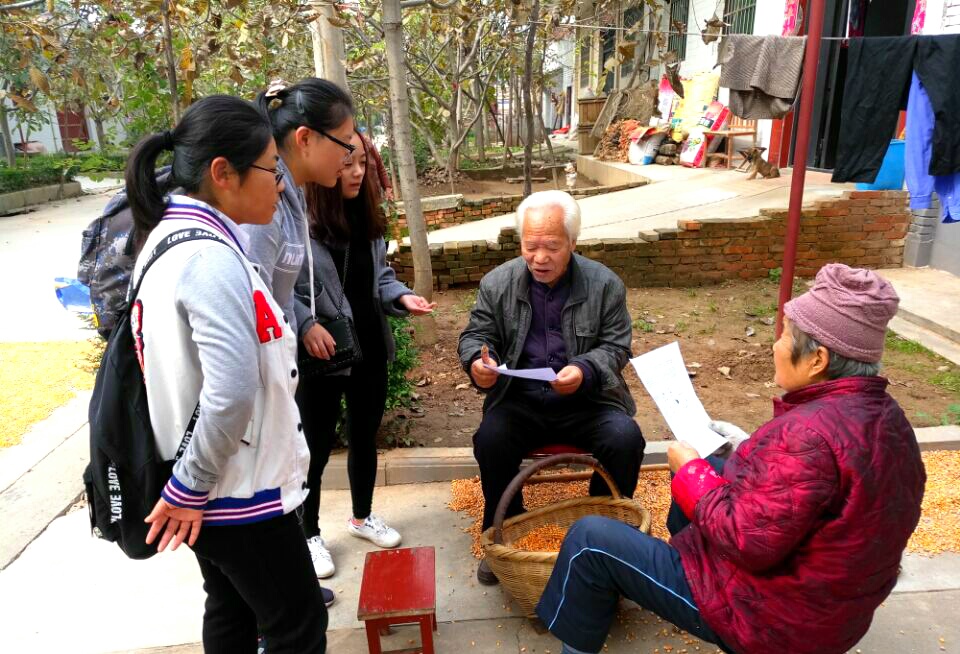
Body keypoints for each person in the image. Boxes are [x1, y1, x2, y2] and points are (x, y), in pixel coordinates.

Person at [536, 264, 927, 654]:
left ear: (817, 360)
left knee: (590, 539)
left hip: (773, 621)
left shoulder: (806, 435)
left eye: (785, 335)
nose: (775, 346)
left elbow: (748, 542)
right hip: (834, 608)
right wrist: (743, 451)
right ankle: (677, 570)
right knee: (716, 468)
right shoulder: (888, 418)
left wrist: (692, 473)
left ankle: (643, 607)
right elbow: (813, 491)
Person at [127, 96, 327, 653]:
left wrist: (190, 484)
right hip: (236, 491)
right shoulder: (208, 259)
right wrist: (190, 486)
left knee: (232, 608)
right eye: (270, 169)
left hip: (217, 486)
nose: (280, 186)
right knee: (298, 627)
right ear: (223, 173)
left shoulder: (173, 239)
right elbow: (232, 388)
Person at [458, 189, 646, 586]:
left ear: (573, 243)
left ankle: (602, 527)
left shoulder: (604, 284)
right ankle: (505, 530)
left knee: (625, 438)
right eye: (530, 247)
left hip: (587, 400)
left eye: (552, 247)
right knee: (491, 439)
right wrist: (478, 362)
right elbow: (476, 335)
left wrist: (584, 369)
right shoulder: (497, 283)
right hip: (520, 400)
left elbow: (617, 346)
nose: (539, 258)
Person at [294, 130, 436, 578]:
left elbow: (380, 278)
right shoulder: (297, 225)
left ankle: (361, 516)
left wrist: (402, 296)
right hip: (323, 354)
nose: (357, 173)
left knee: (364, 437)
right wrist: (305, 324)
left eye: (363, 165)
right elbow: (278, 291)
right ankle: (308, 533)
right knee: (314, 448)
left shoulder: (366, 219)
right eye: (347, 164)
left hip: (370, 346)